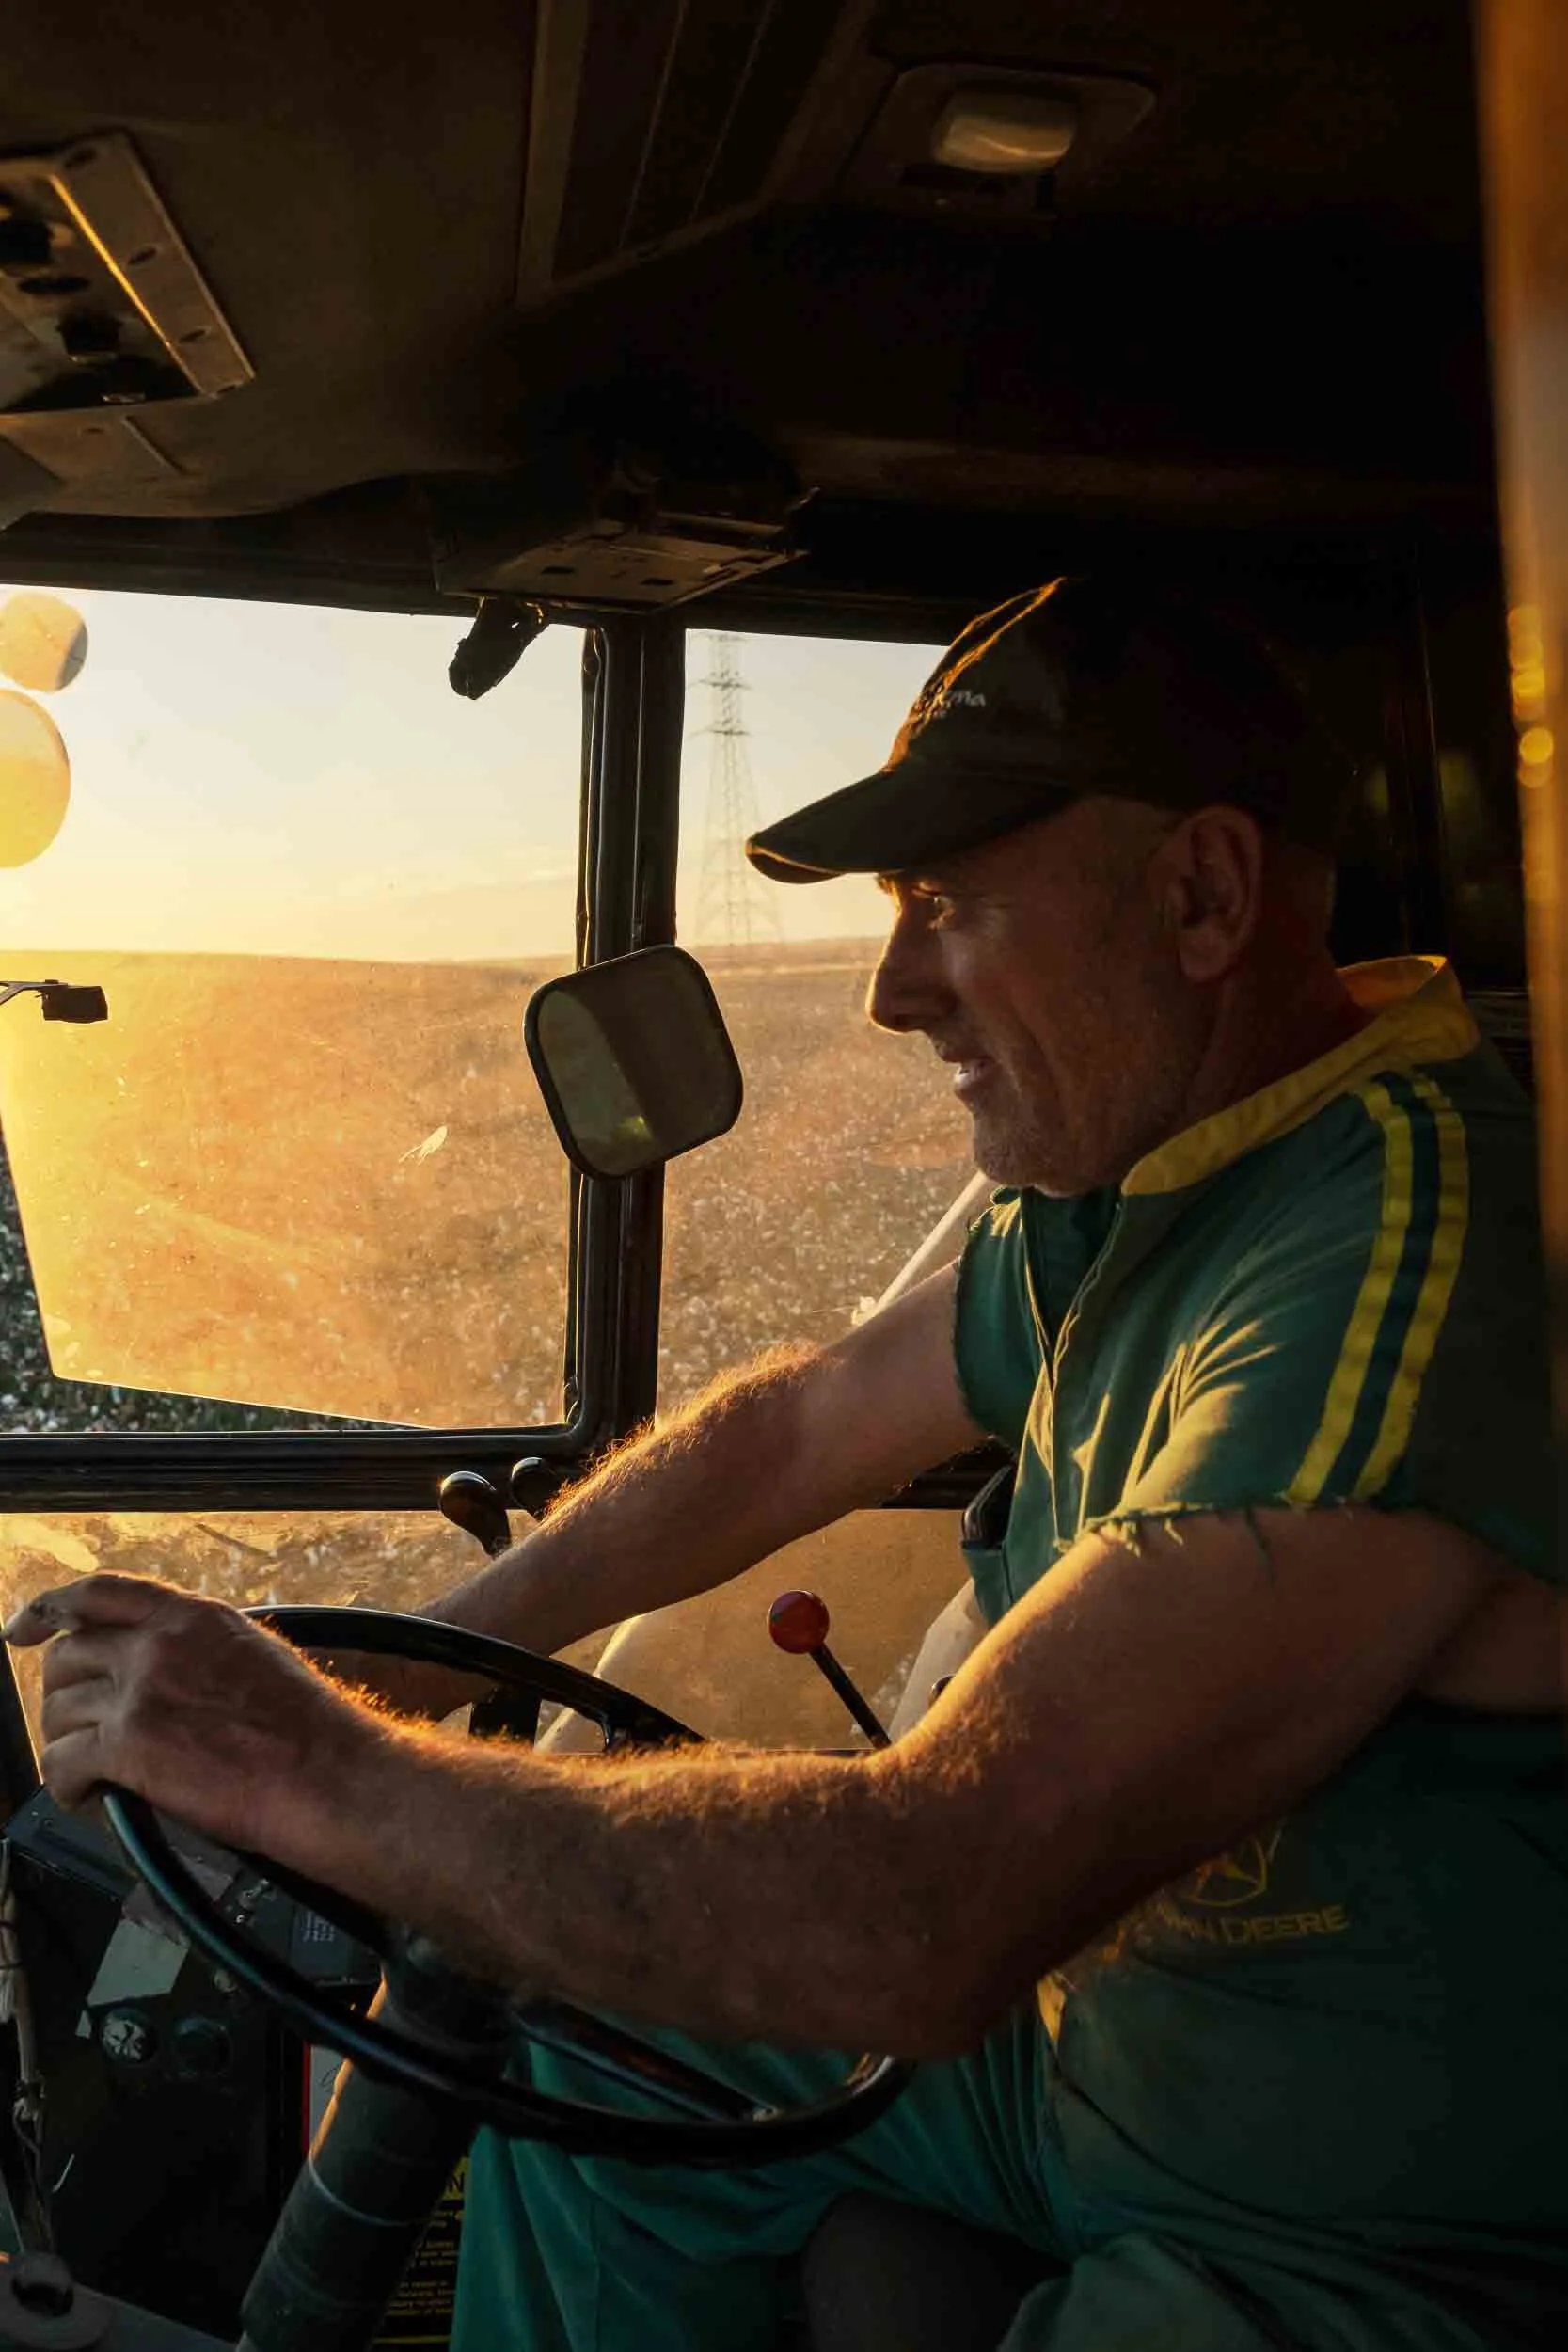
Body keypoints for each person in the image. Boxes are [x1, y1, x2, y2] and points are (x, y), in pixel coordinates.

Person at [12, 580, 1567, 2352]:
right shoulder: (1149, 1184)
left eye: (949, 905)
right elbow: (807, 1422)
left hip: (1337, 2224)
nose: (893, 991)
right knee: (602, 2056)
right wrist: (435, 1635)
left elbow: (930, 1903)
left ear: (1201, 894)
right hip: (1083, 2072)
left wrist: (312, 1769)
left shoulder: (1400, 1255)